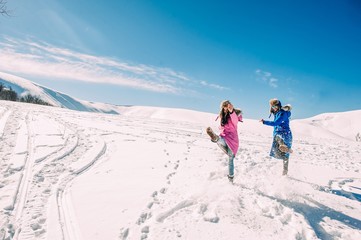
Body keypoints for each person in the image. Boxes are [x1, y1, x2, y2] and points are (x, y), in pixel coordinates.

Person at [206, 100, 243, 182]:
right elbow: (222, 127)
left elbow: (235, 121)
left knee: (230, 159)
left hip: (232, 140)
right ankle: (216, 138)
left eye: (227, 107)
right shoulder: (222, 116)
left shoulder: (234, 115)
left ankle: (216, 138)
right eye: (224, 107)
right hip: (226, 137)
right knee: (230, 158)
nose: (226, 109)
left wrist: (232, 112)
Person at [260, 98, 293, 175]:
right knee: (281, 155)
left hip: (283, 134)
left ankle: (283, 145)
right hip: (283, 134)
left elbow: (276, 123)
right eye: (272, 107)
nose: (274, 108)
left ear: (278, 106)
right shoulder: (277, 112)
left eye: (275, 107)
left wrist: (264, 122)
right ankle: (285, 172)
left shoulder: (282, 113)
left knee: (278, 139)